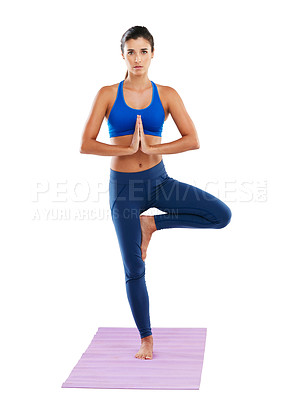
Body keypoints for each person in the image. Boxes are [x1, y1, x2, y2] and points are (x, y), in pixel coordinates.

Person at [80, 26, 232, 360]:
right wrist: (124, 148)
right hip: (124, 190)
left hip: (159, 181)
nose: (137, 58)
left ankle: (154, 225)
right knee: (134, 269)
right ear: (122, 54)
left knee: (221, 215)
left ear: (153, 53)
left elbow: (192, 139)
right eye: (131, 51)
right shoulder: (107, 93)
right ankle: (146, 338)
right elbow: (86, 144)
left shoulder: (167, 94)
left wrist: (150, 145)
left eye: (143, 51)